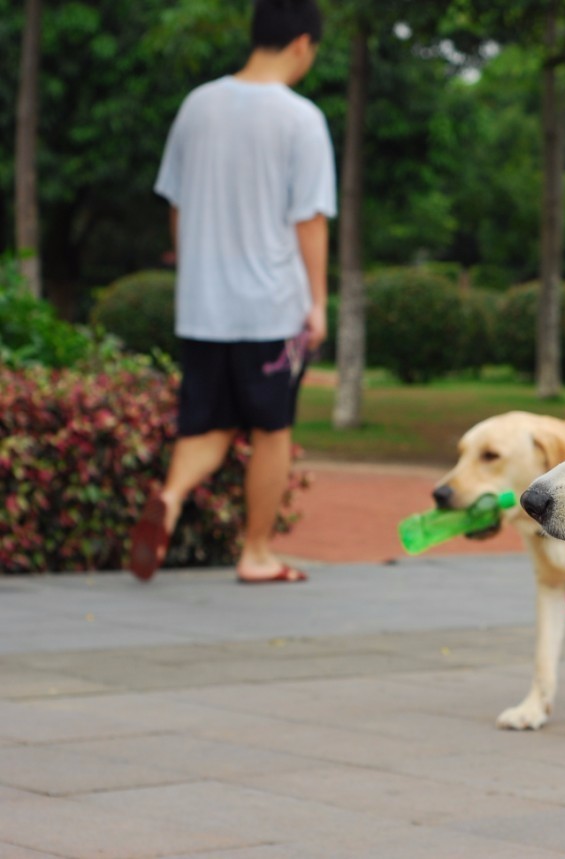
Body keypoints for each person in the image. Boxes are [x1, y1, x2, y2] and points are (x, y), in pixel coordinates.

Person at [129, 0, 336, 584]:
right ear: (302, 44)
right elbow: (310, 220)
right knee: (271, 430)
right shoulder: (300, 119)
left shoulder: (198, 105)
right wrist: (317, 303)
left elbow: (176, 204)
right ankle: (257, 553)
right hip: (270, 307)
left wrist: (194, 267)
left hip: (202, 305)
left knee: (209, 425)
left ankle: (169, 497)